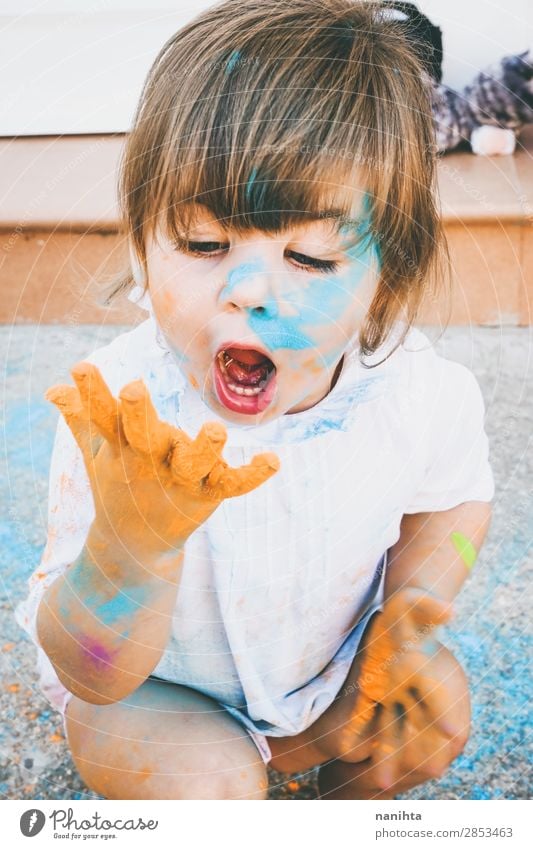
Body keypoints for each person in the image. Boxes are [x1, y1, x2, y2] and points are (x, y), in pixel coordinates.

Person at [16, 0, 494, 800]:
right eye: (203, 245)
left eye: (308, 257)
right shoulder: (125, 414)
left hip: (319, 676)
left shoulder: (418, 396)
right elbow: (91, 669)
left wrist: (412, 604)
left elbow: (456, 502)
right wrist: (132, 549)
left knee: (430, 714)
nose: (247, 291)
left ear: (386, 285)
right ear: (141, 245)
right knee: (211, 786)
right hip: (149, 694)